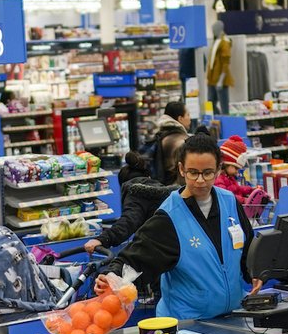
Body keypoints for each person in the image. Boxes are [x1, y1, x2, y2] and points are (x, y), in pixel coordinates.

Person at [95, 131, 262, 320]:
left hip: (232, 316)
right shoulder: (169, 217)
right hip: (188, 325)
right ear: (182, 169)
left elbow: (247, 246)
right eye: (193, 172)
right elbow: (135, 258)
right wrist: (110, 276)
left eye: (207, 173)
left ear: (218, 169)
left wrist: (255, 272)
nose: (200, 180)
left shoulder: (230, 202)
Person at [84, 151, 180, 254]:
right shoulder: (168, 193)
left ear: (123, 185)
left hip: (164, 251)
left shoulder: (135, 194)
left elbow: (128, 222)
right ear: (149, 177)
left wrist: (101, 239)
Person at [153, 101, 192, 185]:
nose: (190, 118)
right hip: (176, 189)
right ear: (180, 118)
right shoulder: (181, 142)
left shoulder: (161, 136)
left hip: (161, 187)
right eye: (188, 115)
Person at [214, 135, 257, 205]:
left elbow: (238, 189)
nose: (237, 172)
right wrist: (244, 200)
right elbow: (227, 197)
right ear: (226, 164)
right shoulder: (219, 180)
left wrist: (251, 190)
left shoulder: (229, 177)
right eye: (236, 168)